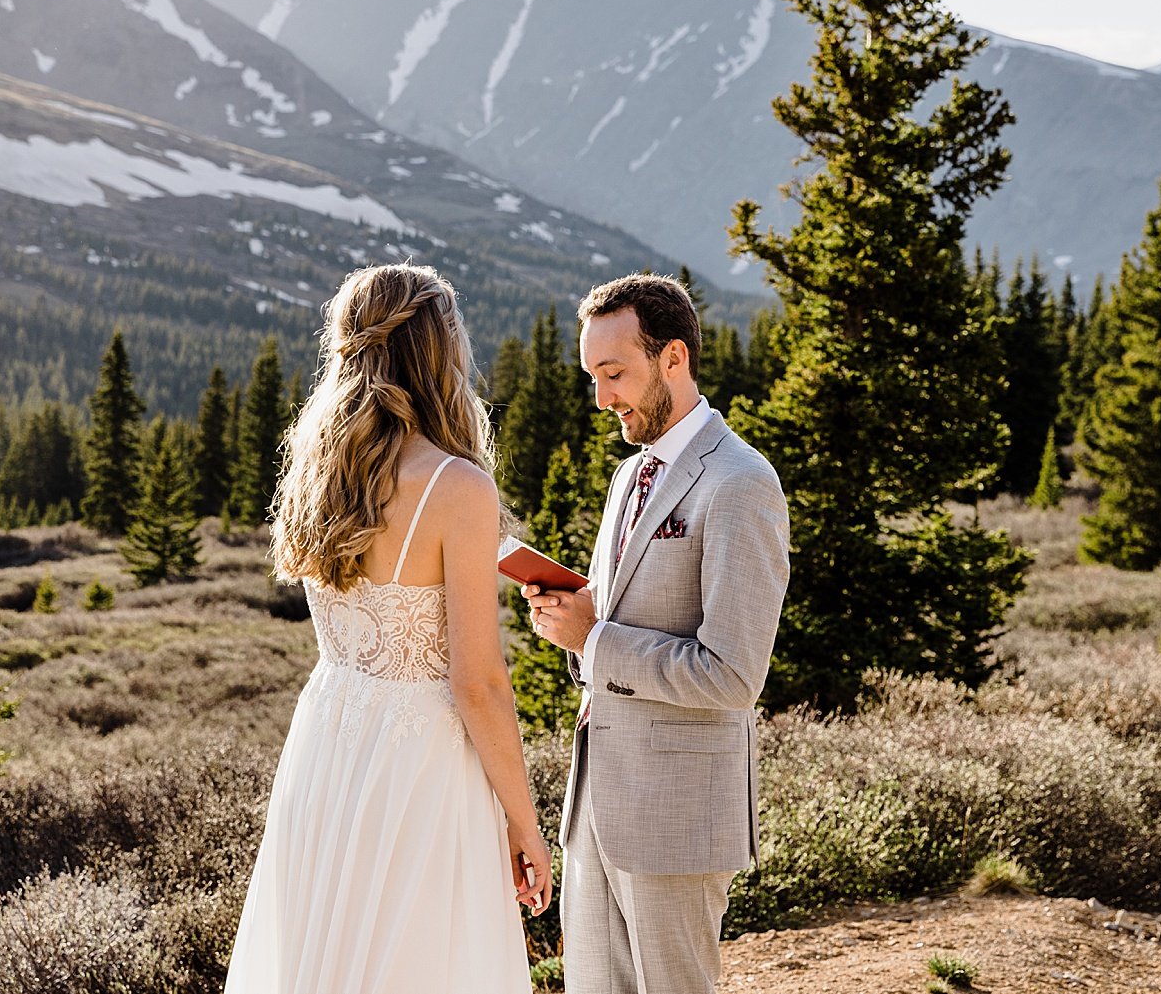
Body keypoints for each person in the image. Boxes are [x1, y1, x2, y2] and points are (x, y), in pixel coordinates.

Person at [225, 262, 548, 994]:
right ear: (437, 349)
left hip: (329, 740)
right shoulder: (456, 485)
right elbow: (479, 680)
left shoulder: (317, 468)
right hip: (420, 764)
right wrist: (523, 820)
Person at [526, 273, 790, 994]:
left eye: (615, 374)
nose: (601, 397)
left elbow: (732, 674)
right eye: (593, 376)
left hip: (677, 815)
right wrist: (571, 618)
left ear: (674, 358)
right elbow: (613, 630)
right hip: (595, 808)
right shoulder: (626, 478)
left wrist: (596, 640)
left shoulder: (740, 482)